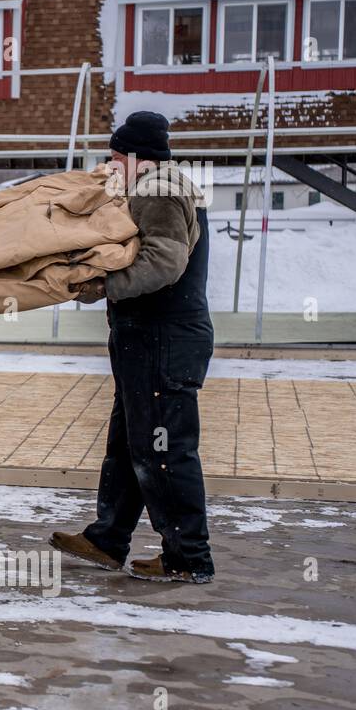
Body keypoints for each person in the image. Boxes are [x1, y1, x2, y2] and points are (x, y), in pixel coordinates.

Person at [50, 111, 216, 583]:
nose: (110, 165)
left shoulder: (161, 189)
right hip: (147, 339)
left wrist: (105, 283)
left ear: (138, 158)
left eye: (117, 156)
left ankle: (188, 558)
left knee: (164, 450)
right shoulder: (156, 185)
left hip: (164, 338)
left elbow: (165, 262)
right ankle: (108, 540)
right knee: (129, 445)